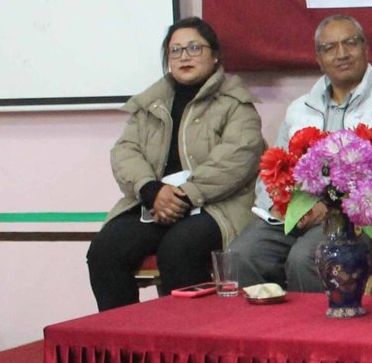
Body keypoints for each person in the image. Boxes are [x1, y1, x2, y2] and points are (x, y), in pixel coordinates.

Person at [230, 15, 372, 290]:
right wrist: (277, 205)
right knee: (242, 254)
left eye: (350, 43)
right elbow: (274, 168)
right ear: (318, 59)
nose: (341, 54)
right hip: (302, 213)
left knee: (307, 258)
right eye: (329, 48)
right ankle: (267, 318)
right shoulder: (300, 108)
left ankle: (324, 319)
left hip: (366, 219)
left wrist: (330, 207)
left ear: (366, 49)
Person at [86, 18, 265, 310]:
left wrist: (183, 196)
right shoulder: (151, 103)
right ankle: (123, 336)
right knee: (106, 250)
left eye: (194, 48)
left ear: (215, 55)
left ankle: (188, 337)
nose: (184, 56)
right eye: (176, 50)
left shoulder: (235, 102)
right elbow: (125, 151)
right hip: (156, 203)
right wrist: (150, 190)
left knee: (179, 250)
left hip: (215, 204)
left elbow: (238, 157)